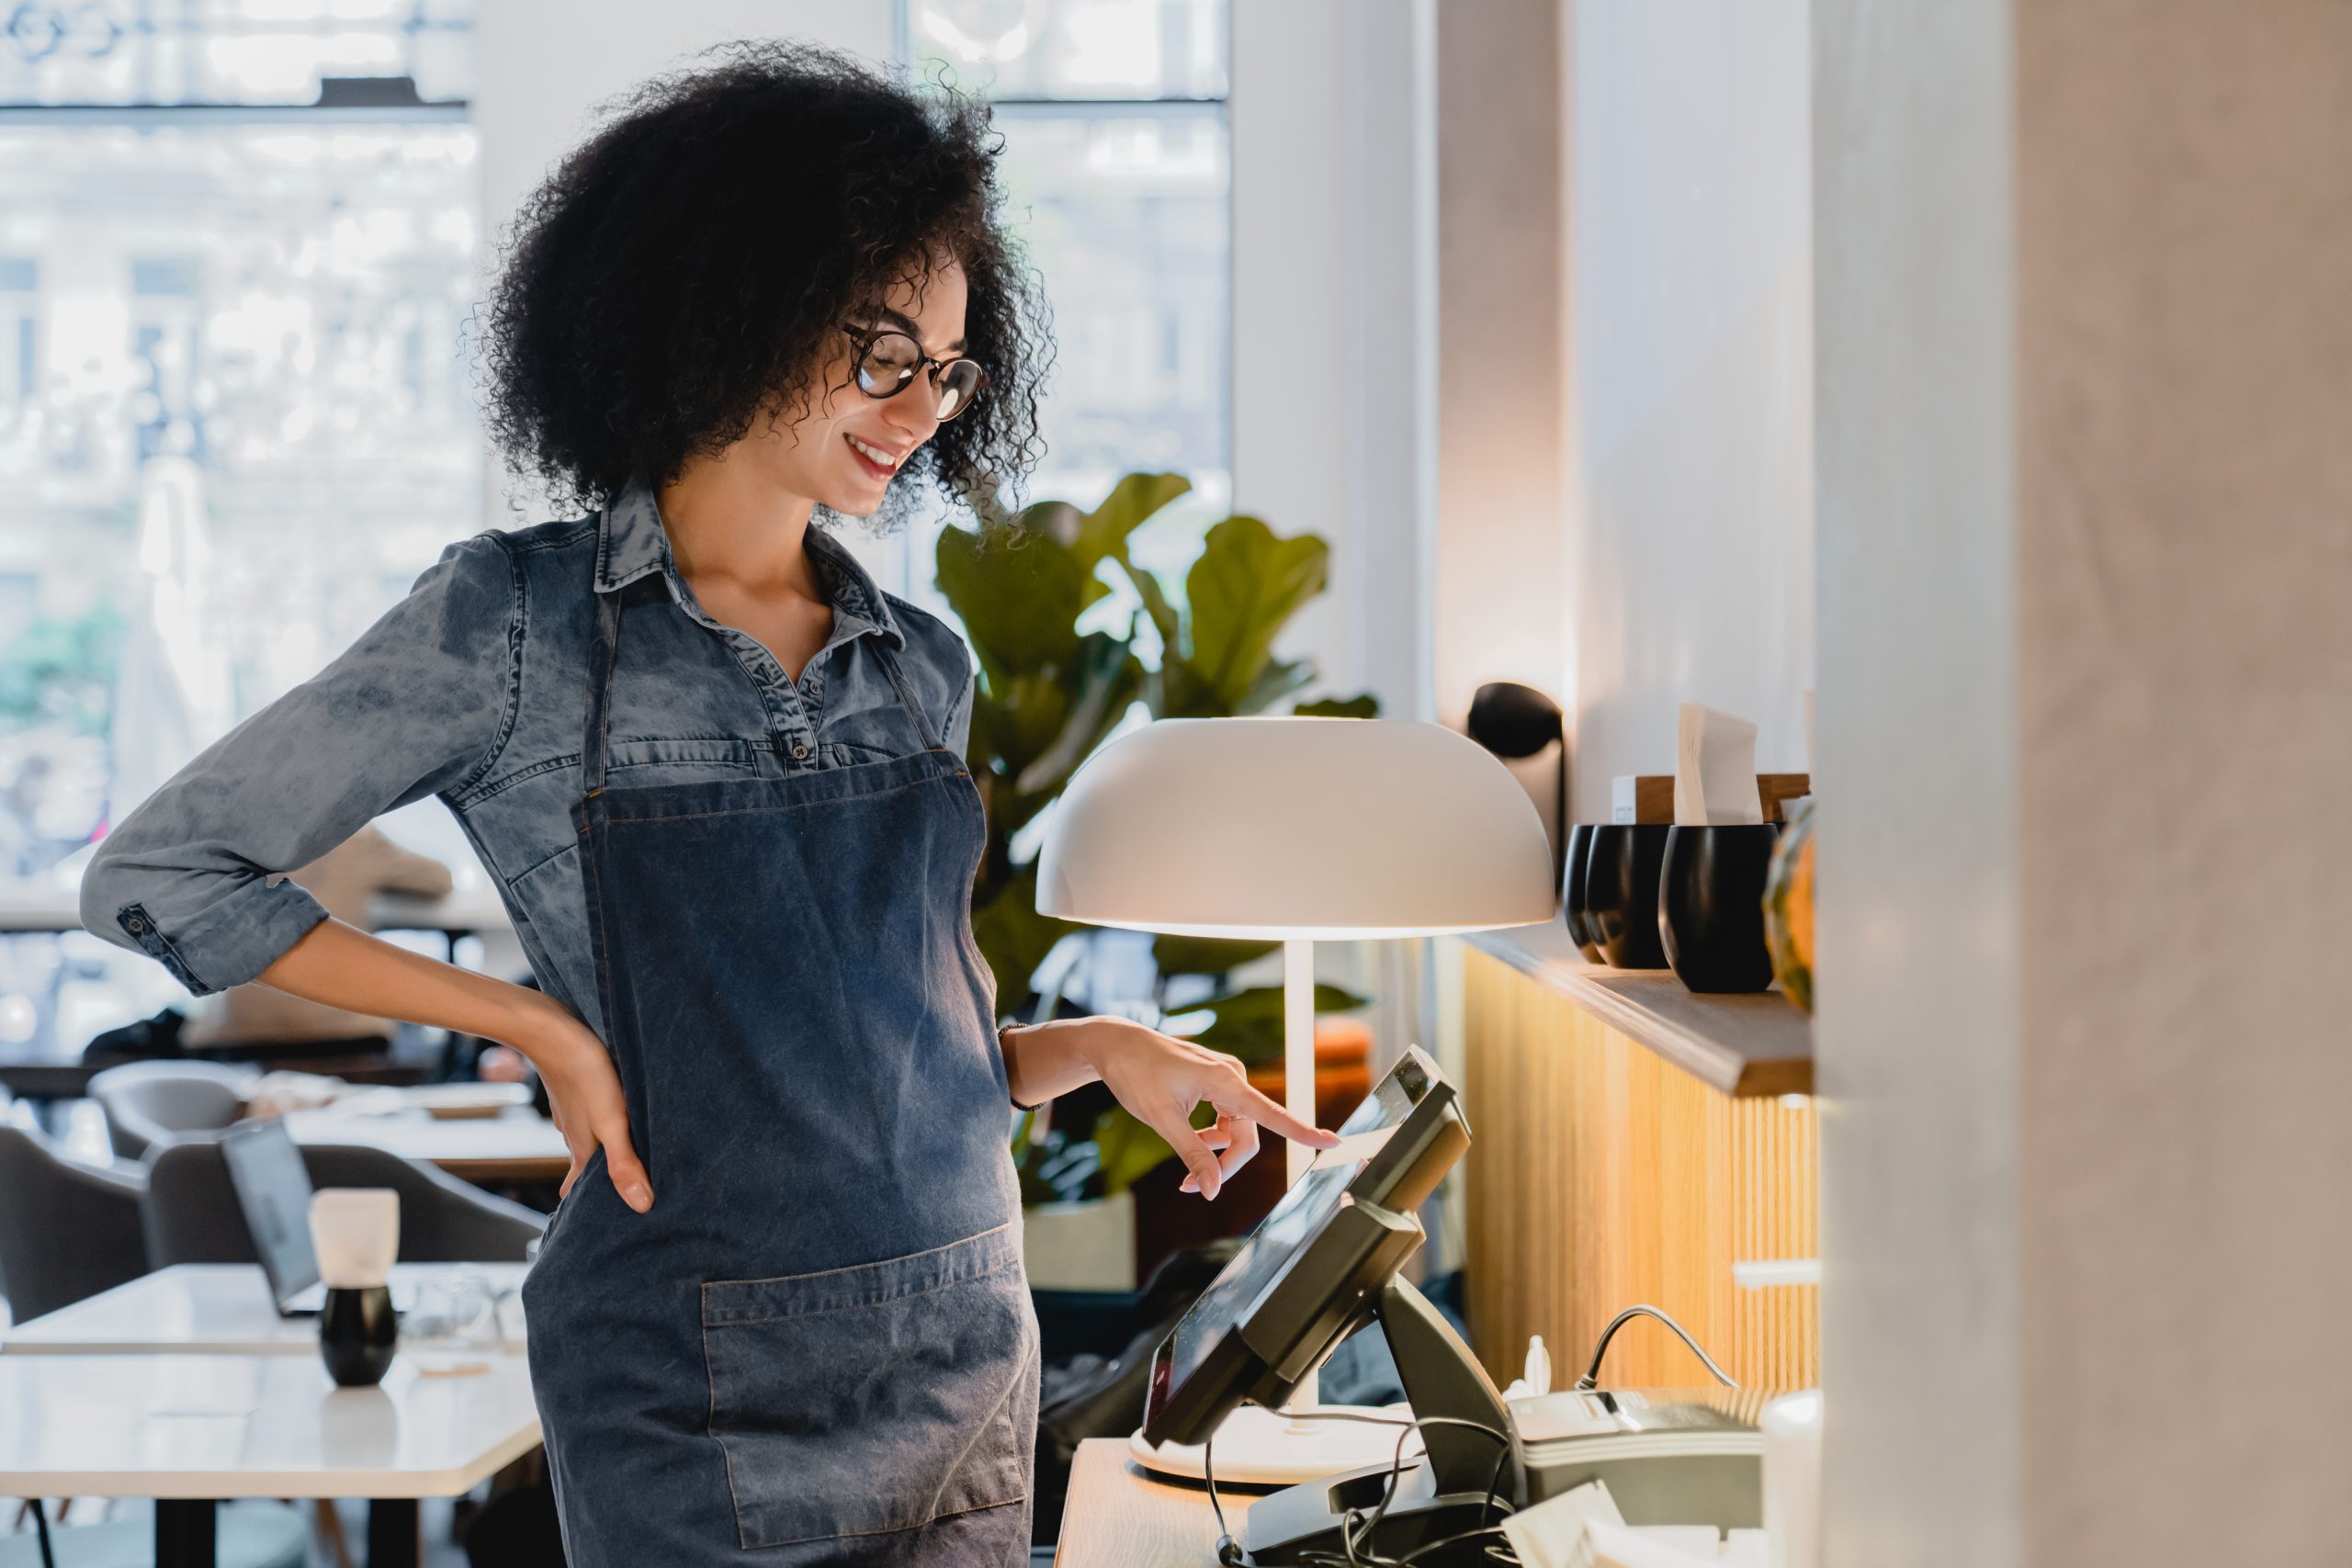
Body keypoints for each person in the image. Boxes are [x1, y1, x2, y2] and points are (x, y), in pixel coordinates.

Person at [78, 39, 1335, 1566]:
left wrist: (1095, 1051)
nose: (922, 407)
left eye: (948, 369)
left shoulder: (914, 664)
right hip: (691, 1399)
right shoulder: (520, 627)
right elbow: (162, 871)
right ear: (737, 304)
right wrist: (532, 1025)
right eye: (885, 354)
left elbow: (887, 1051)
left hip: (962, 1368)